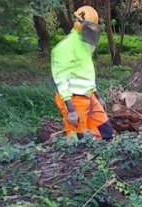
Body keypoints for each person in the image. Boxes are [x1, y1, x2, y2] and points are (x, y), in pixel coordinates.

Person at [51, 5, 114, 141]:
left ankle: (101, 159)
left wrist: (98, 96)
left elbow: (86, 75)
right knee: (78, 142)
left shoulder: (84, 45)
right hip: (74, 100)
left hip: (89, 96)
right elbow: (61, 80)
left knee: (106, 132)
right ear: (79, 23)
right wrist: (71, 110)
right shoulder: (64, 47)